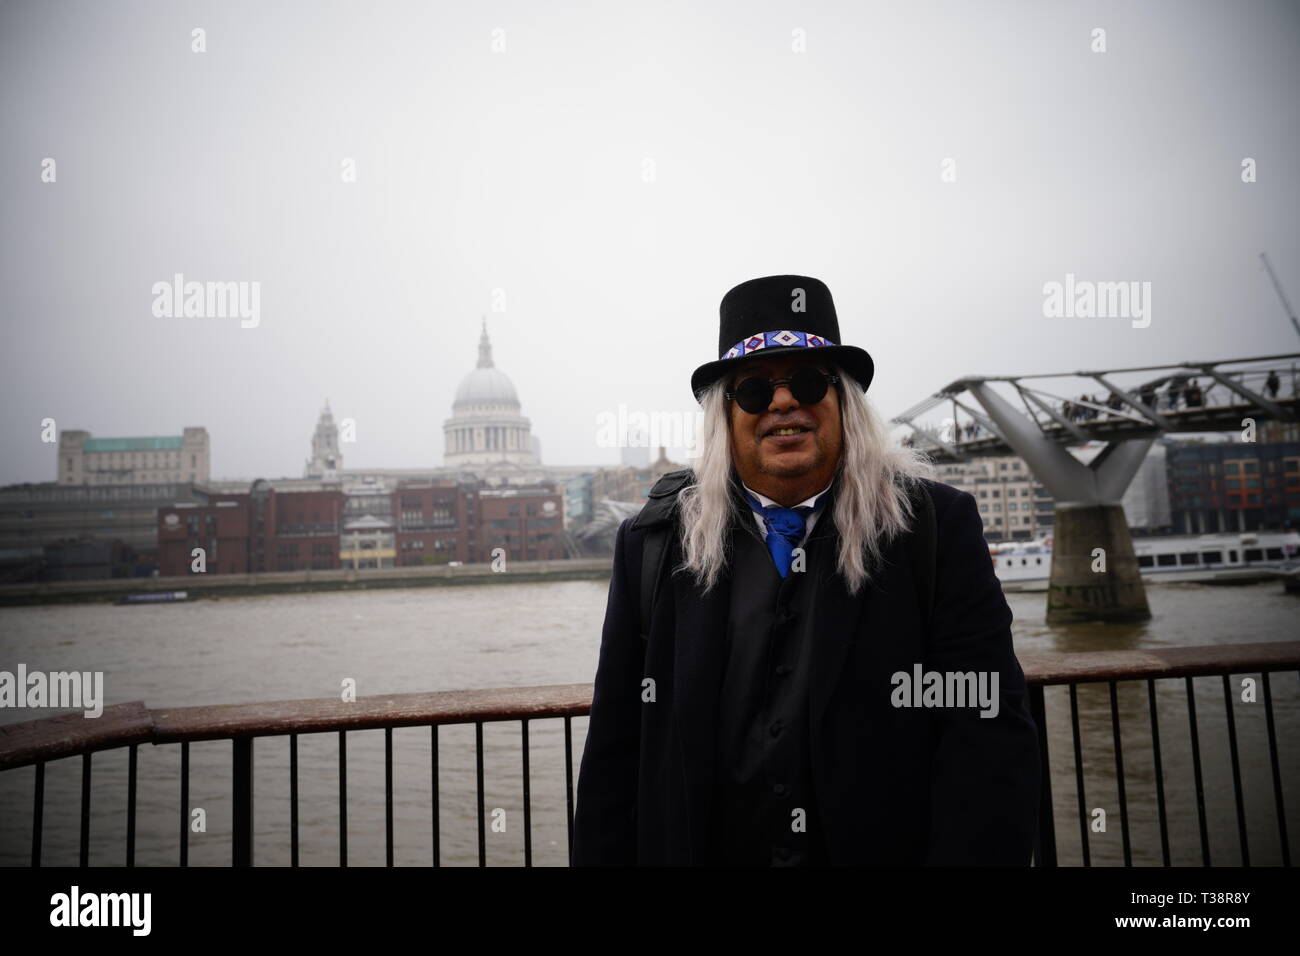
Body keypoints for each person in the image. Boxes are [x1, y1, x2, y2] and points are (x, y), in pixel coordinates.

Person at [571, 275, 1041, 866]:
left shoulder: (935, 528)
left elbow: (987, 731)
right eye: (754, 390)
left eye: (810, 381)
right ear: (725, 414)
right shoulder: (653, 544)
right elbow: (616, 748)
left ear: (845, 403)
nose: (784, 402)